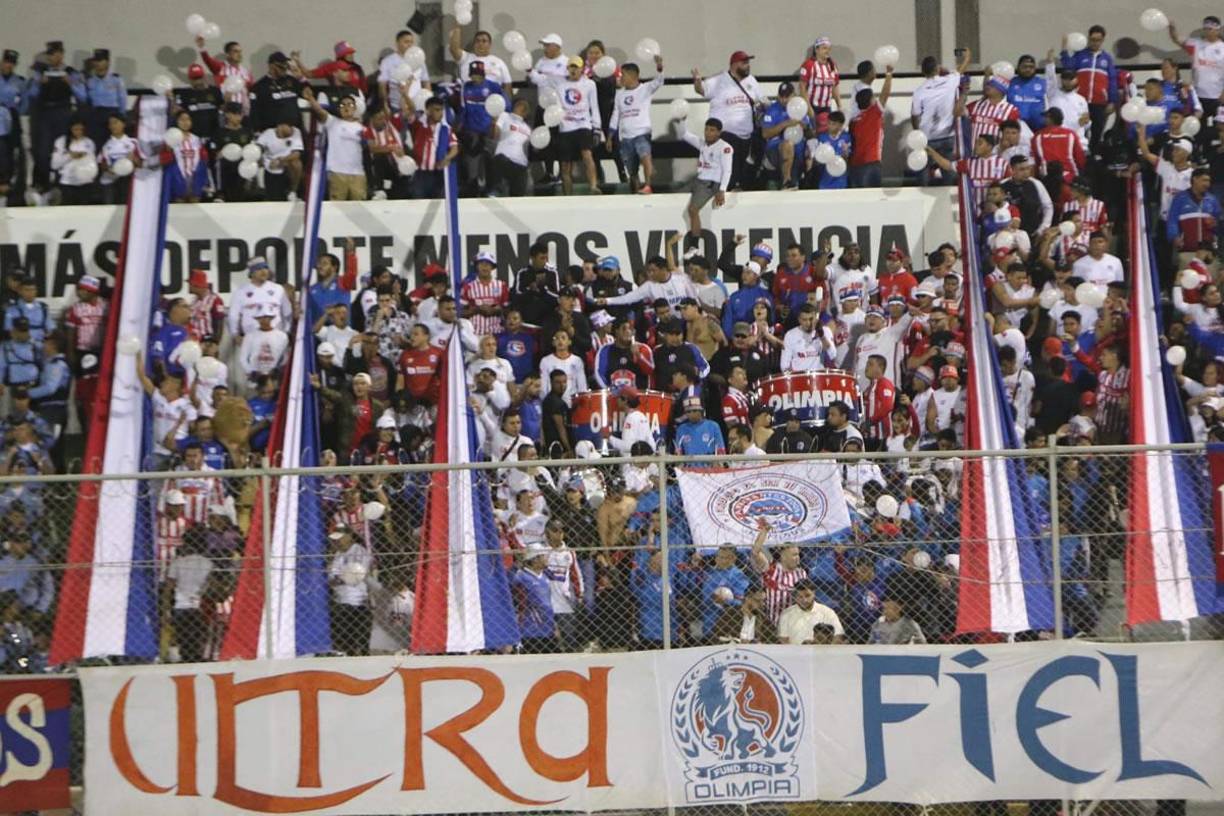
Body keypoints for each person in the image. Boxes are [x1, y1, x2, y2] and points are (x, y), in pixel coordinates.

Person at [692, 51, 765, 190]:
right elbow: (701, 90)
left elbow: (760, 101)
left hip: (747, 137)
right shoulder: (719, 80)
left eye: (748, 63)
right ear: (734, 65)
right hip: (726, 135)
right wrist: (697, 82)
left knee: (746, 169)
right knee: (730, 168)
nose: (748, 66)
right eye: (744, 63)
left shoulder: (751, 81)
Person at [27, 42, 80, 193]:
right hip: (45, 114)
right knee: (42, 151)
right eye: (51, 54)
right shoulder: (40, 72)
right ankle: (42, 186)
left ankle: (60, 186)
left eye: (57, 53)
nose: (54, 57)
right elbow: (31, 95)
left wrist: (71, 84)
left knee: (62, 150)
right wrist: (39, 83)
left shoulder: (71, 73)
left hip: (64, 113)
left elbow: (82, 96)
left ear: (62, 55)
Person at [911, 49, 970, 185]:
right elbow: (962, 68)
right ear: (937, 68)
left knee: (923, 171)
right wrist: (967, 55)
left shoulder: (919, 92)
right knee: (948, 171)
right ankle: (947, 202)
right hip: (947, 136)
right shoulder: (950, 81)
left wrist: (917, 132)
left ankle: (923, 195)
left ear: (923, 72)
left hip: (927, 138)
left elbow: (915, 115)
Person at [610, 56, 665, 193]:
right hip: (626, 136)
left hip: (642, 132)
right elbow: (615, 115)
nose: (620, 78)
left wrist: (659, 66)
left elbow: (659, 81)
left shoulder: (645, 89)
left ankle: (648, 185)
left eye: (623, 75)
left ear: (633, 75)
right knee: (632, 170)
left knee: (645, 155)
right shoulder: (619, 94)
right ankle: (635, 190)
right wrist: (610, 135)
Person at [302, 85, 366, 201]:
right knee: (337, 207)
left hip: (358, 173)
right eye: (343, 105)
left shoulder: (362, 128)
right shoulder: (333, 122)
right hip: (337, 172)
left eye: (350, 104)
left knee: (359, 208)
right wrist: (311, 98)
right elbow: (320, 111)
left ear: (355, 108)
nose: (346, 107)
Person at [1059, 25, 1117, 149]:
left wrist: (1112, 101)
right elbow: (1068, 67)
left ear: (1102, 40)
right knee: (1080, 130)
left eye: (1098, 40)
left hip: (1099, 102)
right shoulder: (1080, 55)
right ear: (1088, 39)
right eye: (1092, 39)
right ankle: (1079, 155)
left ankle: (1094, 157)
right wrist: (1064, 50)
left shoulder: (1107, 59)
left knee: (1097, 131)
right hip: (1081, 101)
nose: (1095, 42)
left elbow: (1112, 80)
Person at [164, 528, 213, 663]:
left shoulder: (178, 562)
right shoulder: (208, 563)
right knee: (197, 635)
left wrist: (166, 609)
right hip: (199, 605)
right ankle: (197, 656)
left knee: (181, 634)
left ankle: (181, 657)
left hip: (180, 605)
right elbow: (209, 585)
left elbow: (169, 587)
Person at [679, 117, 733, 238]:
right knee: (676, 194)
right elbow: (684, 135)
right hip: (699, 180)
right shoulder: (703, 143)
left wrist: (722, 190)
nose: (708, 133)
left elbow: (727, 170)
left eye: (712, 130)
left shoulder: (725, 148)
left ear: (719, 133)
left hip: (711, 184)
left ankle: (694, 246)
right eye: (706, 129)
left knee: (693, 210)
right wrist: (682, 119)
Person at [1168, 15, 1224, 126]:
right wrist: (1172, 28)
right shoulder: (1196, 44)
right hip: (1198, 96)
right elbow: (1177, 39)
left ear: (1218, 29)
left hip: (1217, 96)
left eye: (1210, 29)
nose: (1208, 32)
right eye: (1206, 29)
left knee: (1220, 129)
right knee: (1198, 127)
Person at [327, 525, 374, 656]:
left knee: (361, 642)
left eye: (340, 538)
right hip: (340, 600)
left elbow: (357, 575)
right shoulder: (336, 554)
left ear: (349, 537)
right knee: (347, 643)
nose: (337, 541)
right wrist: (343, 576)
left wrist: (341, 578)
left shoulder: (360, 551)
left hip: (358, 601)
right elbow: (331, 578)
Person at [405, 96, 458, 200]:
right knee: (419, 203)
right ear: (428, 111)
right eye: (437, 110)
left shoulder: (445, 128)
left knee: (437, 204)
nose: (441, 113)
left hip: (437, 174)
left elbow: (454, 148)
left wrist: (447, 158)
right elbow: (412, 110)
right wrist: (405, 94)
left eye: (442, 110)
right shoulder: (418, 125)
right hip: (420, 173)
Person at [761, 82, 812, 189]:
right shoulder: (772, 110)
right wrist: (785, 124)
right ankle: (786, 180)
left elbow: (810, 134)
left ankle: (792, 182)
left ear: (793, 95)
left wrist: (805, 128)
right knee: (787, 145)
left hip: (798, 152)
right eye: (781, 96)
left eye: (787, 96)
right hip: (776, 150)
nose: (784, 100)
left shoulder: (800, 107)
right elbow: (765, 134)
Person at [848, 65, 893, 188]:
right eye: (874, 98)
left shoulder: (853, 122)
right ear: (870, 101)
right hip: (871, 163)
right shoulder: (873, 114)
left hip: (854, 166)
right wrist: (889, 74)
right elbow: (885, 94)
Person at [512, 545, 557, 653]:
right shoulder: (521, 577)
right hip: (529, 630)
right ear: (535, 559)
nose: (547, 558)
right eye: (544, 556)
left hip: (548, 629)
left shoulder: (545, 578)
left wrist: (554, 625)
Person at [81, 48, 126, 149]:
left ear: (108, 62)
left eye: (100, 60)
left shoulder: (116, 79)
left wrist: (122, 118)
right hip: (95, 115)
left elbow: (122, 99)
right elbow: (85, 99)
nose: (98, 63)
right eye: (96, 61)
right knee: (96, 145)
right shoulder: (90, 81)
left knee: (113, 144)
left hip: (112, 114)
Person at [777, 579, 845, 644]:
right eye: (800, 597)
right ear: (795, 596)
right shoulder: (786, 614)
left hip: (822, 653)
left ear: (814, 593)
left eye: (807, 596)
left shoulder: (827, 612)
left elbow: (838, 636)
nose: (804, 600)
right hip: (795, 654)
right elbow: (783, 640)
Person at [196, 36, 253, 114]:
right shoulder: (220, 68)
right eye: (236, 51)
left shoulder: (245, 72)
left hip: (243, 112)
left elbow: (251, 90)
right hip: (226, 111)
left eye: (240, 51)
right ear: (228, 54)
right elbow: (207, 60)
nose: (239, 54)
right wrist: (202, 47)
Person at [49, 115, 96, 204]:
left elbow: (93, 163)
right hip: (67, 183)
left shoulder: (89, 142)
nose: (78, 132)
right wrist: (70, 156)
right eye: (76, 129)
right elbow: (54, 165)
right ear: (70, 129)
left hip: (85, 183)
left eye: (81, 129)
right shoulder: (60, 141)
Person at [491, 96, 532, 196]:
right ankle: (496, 189)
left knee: (518, 197)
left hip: (521, 164)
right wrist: (494, 123)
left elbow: (532, 149)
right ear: (514, 106)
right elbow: (495, 135)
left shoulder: (528, 128)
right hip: (504, 160)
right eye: (520, 104)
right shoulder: (504, 115)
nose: (523, 106)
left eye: (526, 106)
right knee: (499, 159)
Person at [255, 119, 303, 201]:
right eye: (289, 127)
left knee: (296, 163)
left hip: (285, 163)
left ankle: (293, 191)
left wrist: (281, 160)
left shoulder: (296, 131)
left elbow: (297, 154)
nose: (291, 130)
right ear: (280, 126)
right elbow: (258, 148)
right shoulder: (268, 133)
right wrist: (261, 160)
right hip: (270, 163)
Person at [449, 26, 511, 91]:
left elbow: (507, 85)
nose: (480, 44)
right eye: (477, 41)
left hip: (493, 98)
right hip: (470, 96)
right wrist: (457, 27)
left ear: (489, 44)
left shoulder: (499, 62)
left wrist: (507, 100)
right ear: (474, 44)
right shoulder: (466, 57)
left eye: (484, 41)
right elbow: (454, 49)